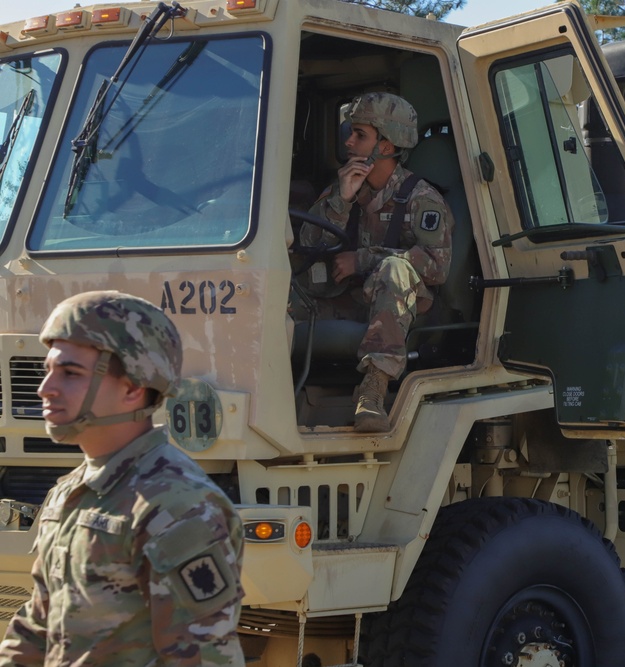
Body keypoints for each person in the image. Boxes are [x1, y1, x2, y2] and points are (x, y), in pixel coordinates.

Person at [0, 291, 245, 666]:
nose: (45, 388)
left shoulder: (178, 506)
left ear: (133, 387)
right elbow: (37, 627)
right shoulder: (68, 492)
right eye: (47, 370)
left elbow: (204, 657)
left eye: (70, 373)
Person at [302, 91, 453, 432]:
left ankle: (373, 391)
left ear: (386, 146)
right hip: (350, 299)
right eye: (350, 133)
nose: (349, 142)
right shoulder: (344, 186)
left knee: (394, 269)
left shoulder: (422, 198)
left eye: (360, 135)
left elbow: (436, 266)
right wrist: (340, 201)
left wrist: (364, 260)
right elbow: (306, 249)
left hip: (407, 305)